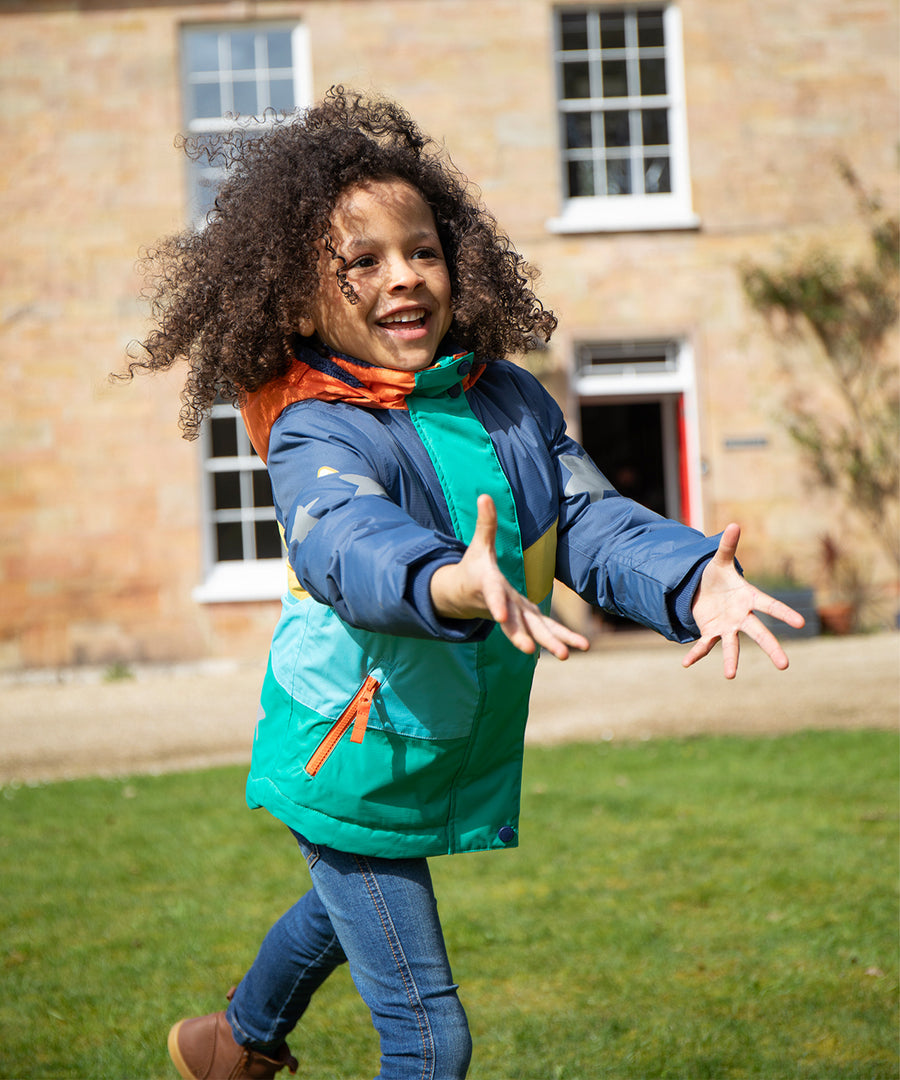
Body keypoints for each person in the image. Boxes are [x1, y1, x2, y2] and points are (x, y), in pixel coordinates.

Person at [124, 87, 804, 1080]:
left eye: (422, 251)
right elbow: (342, 539)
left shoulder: (512, 399)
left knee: (343, 903)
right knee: (429, 1037)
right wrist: (449, 579)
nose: (402, 277)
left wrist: (692, 576)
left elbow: (587, 521)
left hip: (429, 737)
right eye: (360, 262)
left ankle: (230, 1046)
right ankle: (237, 1045)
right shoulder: (319, 425)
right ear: (297, 297)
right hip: (351, 748)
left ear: (462, 262)